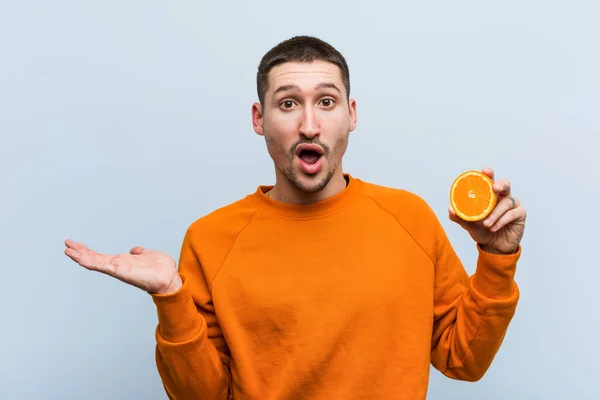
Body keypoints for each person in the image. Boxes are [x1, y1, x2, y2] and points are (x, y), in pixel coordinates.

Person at [64, 35, 527, 400]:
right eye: (288, 103)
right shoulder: (211, 239)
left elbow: (463, 361)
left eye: (326, 102)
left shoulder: (409, 217)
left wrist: (497, 259)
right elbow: (202, 396)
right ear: (258, 118)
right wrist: (170, 297)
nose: (309, 124)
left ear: (351, 114)